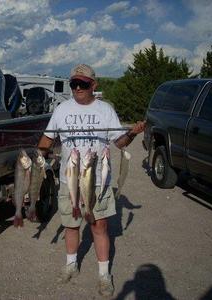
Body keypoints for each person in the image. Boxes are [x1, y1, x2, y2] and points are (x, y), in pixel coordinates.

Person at [37, 64, 145, 297]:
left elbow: (119, 142)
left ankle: (104, 274)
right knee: (71, 224)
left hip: (98, 181)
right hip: (69, 182)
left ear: (93, 85)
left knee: (99, 226)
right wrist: (38, 154)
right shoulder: (62, 109)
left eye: (83, 84)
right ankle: (70, 264)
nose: (77, 88)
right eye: (73, 83)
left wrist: (133, 133)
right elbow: (47, 139)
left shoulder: (105, 110)